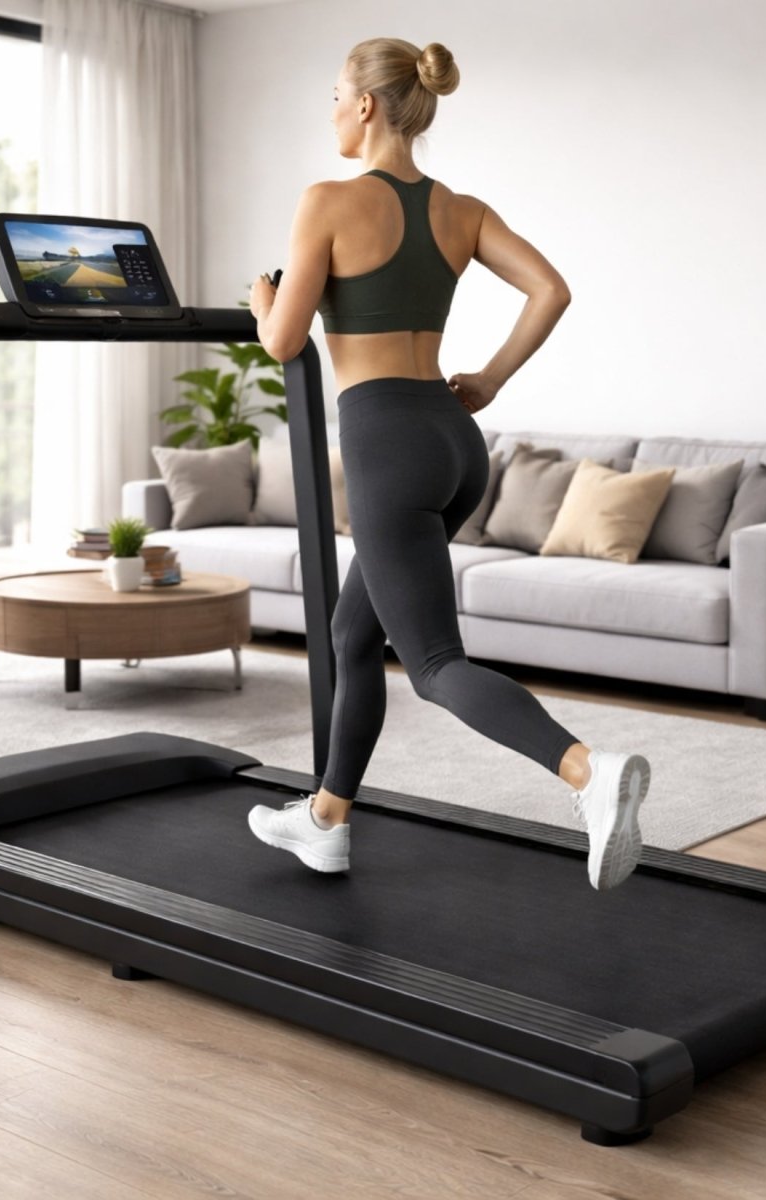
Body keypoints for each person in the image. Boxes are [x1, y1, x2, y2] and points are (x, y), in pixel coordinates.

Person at [246, 37, 649, 889]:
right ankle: (326, 820)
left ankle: (588, 773)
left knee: (431, 664)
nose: (329, 112)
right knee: (355, 634)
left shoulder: (326, 201)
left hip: (387, 443)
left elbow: (286, 344)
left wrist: (264, 304)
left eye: (333, 95)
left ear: (364, 104)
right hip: (454, 439)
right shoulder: (461, 210)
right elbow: (552, 289)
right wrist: (492, 381)